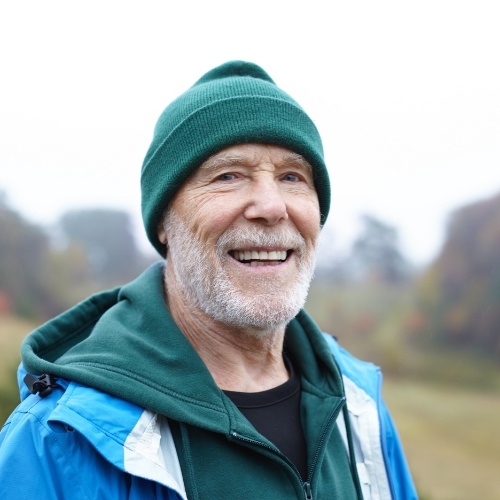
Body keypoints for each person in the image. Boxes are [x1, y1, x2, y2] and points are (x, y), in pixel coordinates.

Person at [0, 61, 417, 499]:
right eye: (229, 176)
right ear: (164, 220)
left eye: (292, 177)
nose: (271, 206)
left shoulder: (359, 404)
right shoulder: (57, 440)